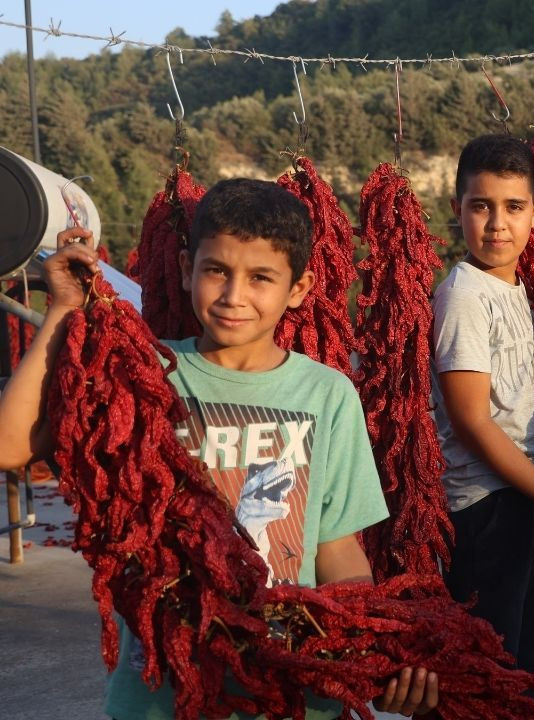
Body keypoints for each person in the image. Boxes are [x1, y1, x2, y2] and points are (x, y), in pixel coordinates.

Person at [0, 178, 436, 719]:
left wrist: (368, 646)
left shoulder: (328, 393)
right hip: (161, 694)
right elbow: (9, 446)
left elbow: (338, 548)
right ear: (186, 269)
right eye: (216, 271)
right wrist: (65, 308)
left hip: (289, 685)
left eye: (260, 278)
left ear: (299, 288)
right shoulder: (146, 374)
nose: (234, 296)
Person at [431, 134, 534, 695]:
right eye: (480, 206)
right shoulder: (463, 294)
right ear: (457, 209)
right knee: (488, 674)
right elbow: (472, 422)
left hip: (528, 494)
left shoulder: (524, 289)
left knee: (527, 663)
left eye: (512, 207)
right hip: (487, 506)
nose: (497, 224)